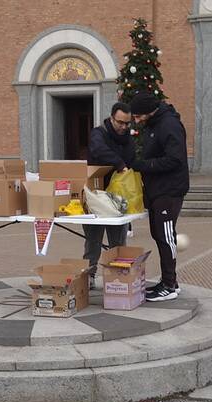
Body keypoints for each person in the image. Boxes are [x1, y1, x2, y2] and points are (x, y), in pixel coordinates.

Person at [129, 92, 189, 302]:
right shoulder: (155, 124)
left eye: (138, 116)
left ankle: (170, 285)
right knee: (159, 234)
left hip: (169, 190)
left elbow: (175, 159)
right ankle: (169, 282)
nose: (136, 120)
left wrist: (144, 165)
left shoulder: (169, 125)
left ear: (149, 111)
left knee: (166, 236)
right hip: (158, 190)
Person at [84, 102, 135, 289]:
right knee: (93, 241)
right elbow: (98, 150)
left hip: (117, 198)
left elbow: (132, 159)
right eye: (120, 122)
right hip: (96, 195)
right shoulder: (99, 133)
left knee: (118, 241)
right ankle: (89, 276)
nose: (123, 127)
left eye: (127, 124)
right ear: (112, 117)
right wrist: (119, 164)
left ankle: (119, 278)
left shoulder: (128, 137)